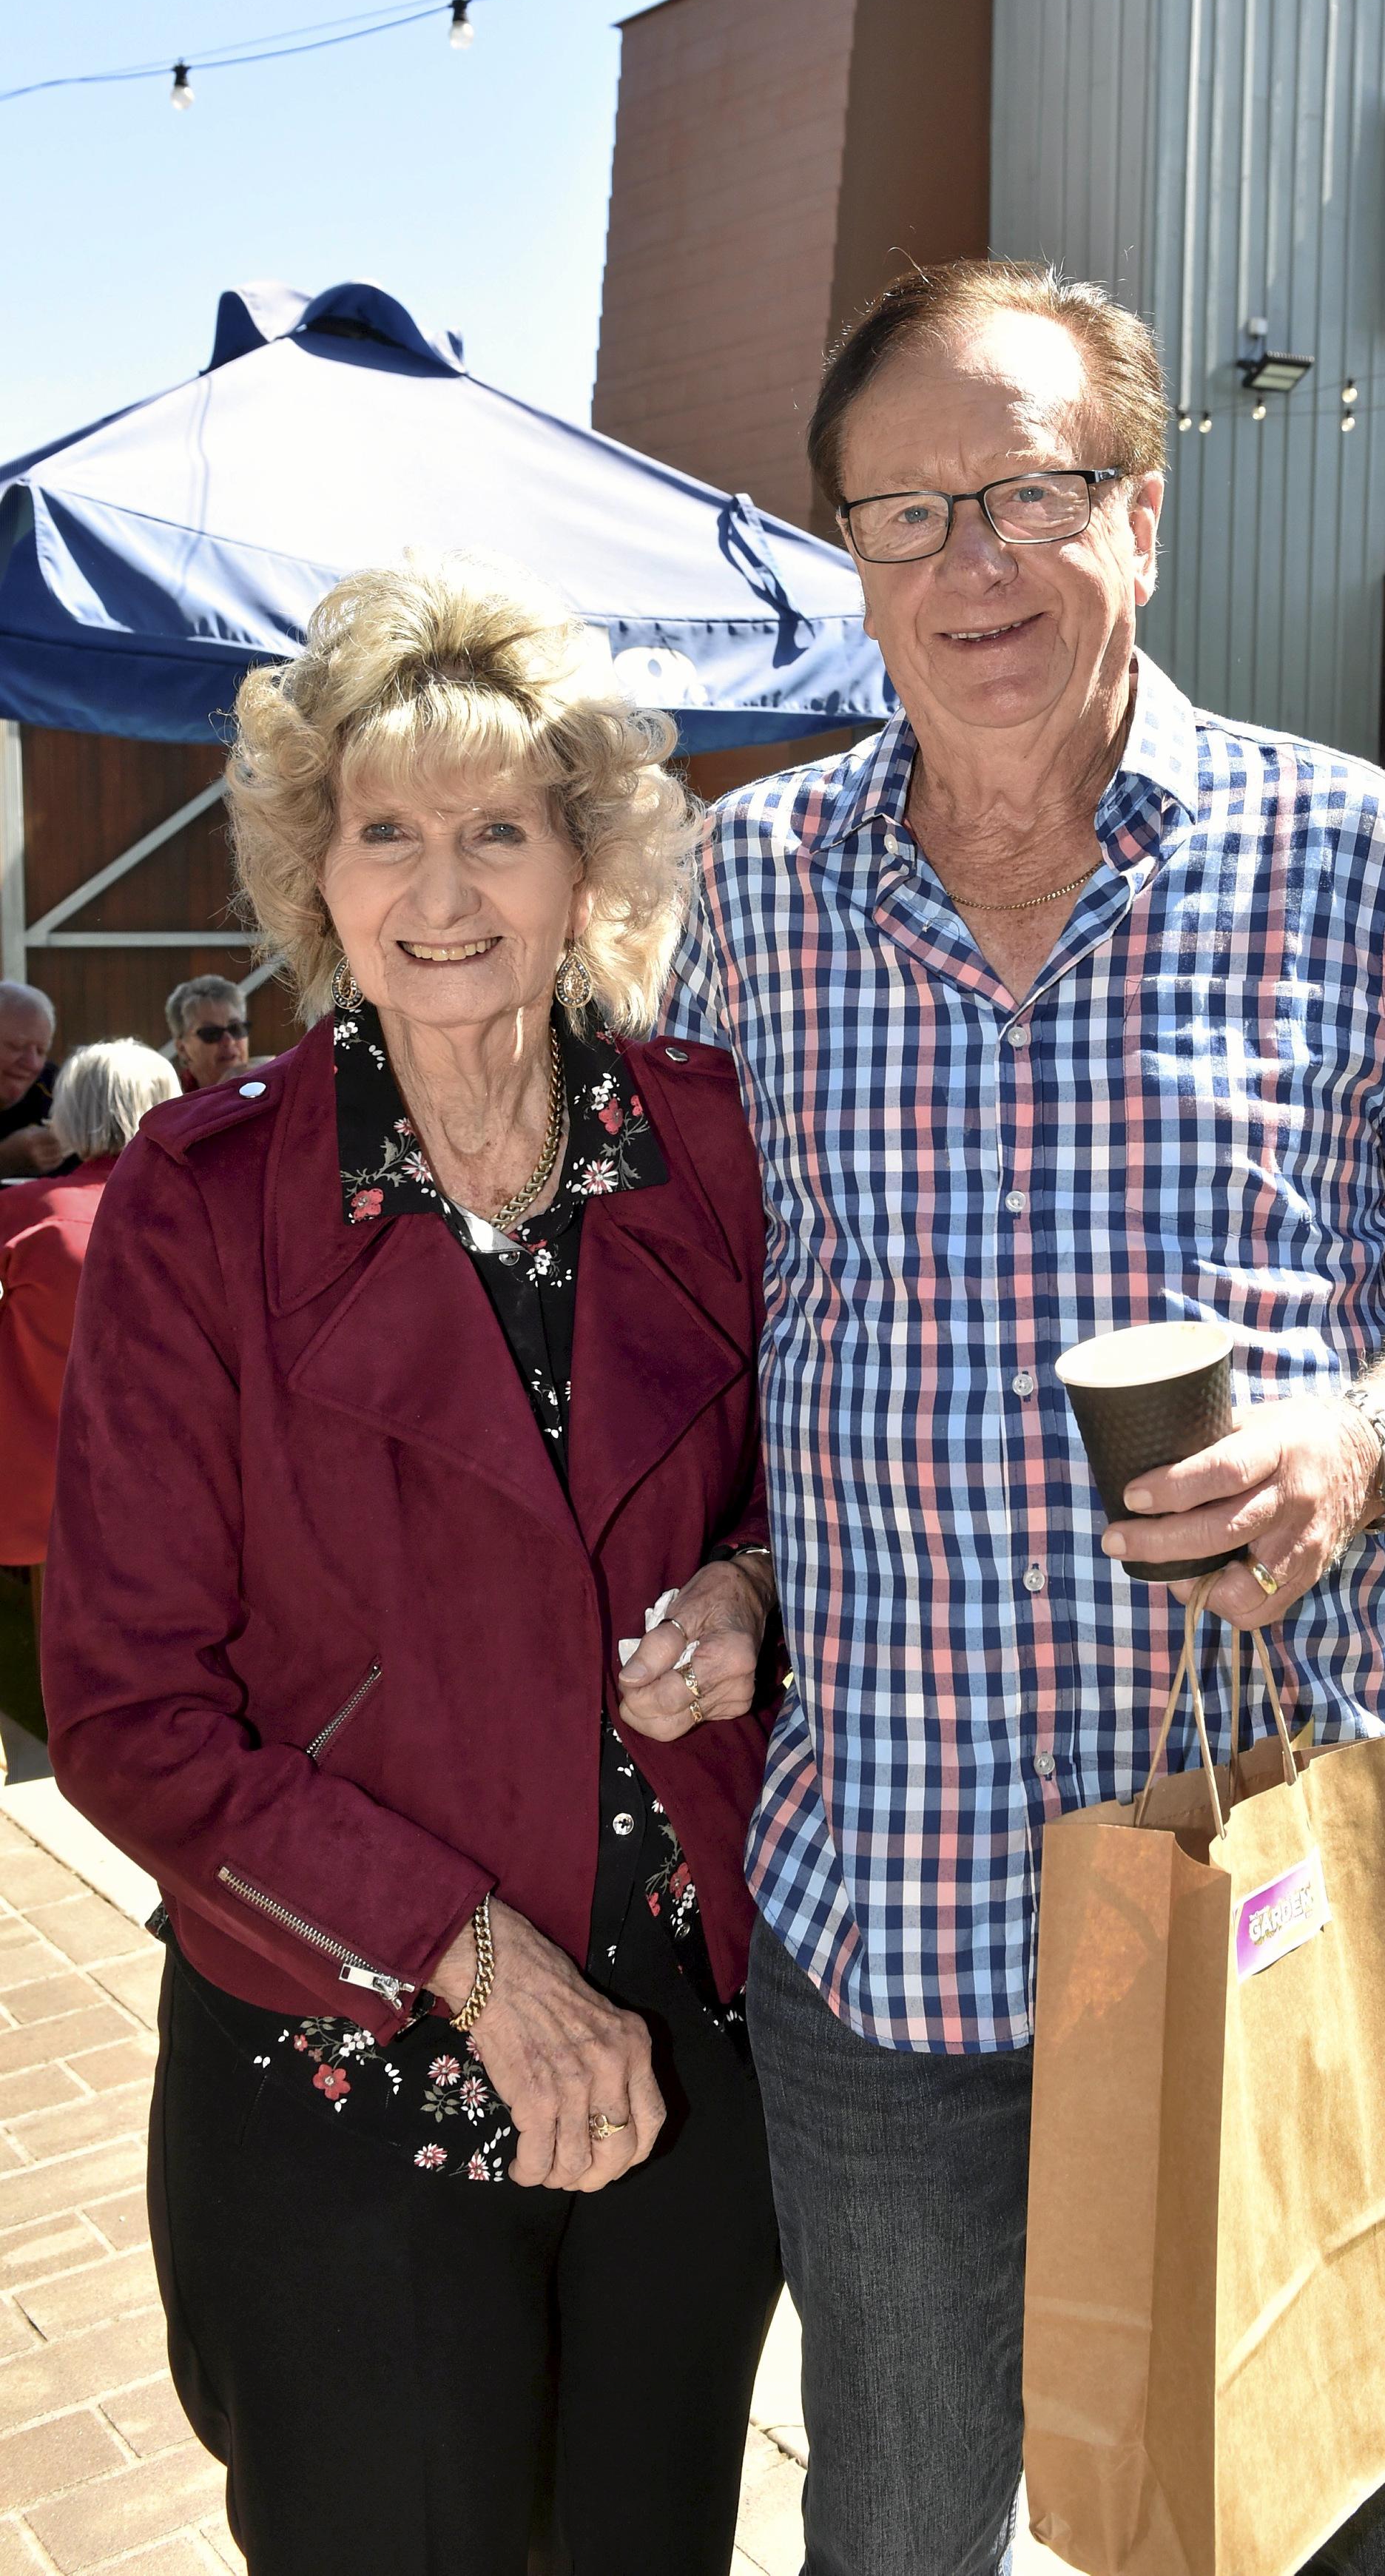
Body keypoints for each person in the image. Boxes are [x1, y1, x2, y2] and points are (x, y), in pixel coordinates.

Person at [664, 260, 1385, 2576]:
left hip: (1279, 1855)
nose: (970, 562)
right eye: (905, 512)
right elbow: (703, 1338)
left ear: (1143, 517)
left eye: (1030, 491)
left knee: (1363, 2523)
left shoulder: (1348, 852)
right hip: (903, 1901)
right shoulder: (751, 896)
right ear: (848, 559)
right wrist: (745, 1573)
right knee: (897, 2531)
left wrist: (1363, 1433)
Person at [41, 556, 782, 2576]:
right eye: (387, 827)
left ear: (582, 866)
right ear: (316, 869)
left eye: (497, 828)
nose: (441, 888)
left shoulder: (705, 1140)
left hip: (680, 2052)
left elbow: (805, 1475)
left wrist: (749, 1592)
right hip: (347, 2055)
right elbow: (127, 1705)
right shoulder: (205, 1200)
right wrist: (468, 1958)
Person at [0, 1041, 179, 1614]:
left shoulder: (23, 1217)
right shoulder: (211, 1218)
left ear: (69, 1113)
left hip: (29, 1505)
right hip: (172, 1502)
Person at [0, 981, 60, 1177]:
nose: (32, 1064)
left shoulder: (56, 1090)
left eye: (41, 1051)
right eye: (17, 1046)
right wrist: (5, 1161)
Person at [165, 973, 255, 1092]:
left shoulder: (271, 1085)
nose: (229, 1041)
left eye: (235, 1029)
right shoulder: (172, 1100)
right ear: (182, 1049)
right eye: (212, 1033)